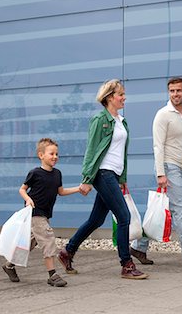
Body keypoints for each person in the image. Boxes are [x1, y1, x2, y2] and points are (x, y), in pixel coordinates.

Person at [57, 79, 148, 280]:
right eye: (120, 94)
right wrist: (87, 178)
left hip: (113, 175)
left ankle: (67, 251)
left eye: (124, 94)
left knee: (96, 219)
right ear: (109, 97)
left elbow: (121, 153)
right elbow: (91, 150)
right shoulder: (100, 119)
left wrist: (122, 178)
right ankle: (126, 264)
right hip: (102, 173)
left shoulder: (122, 121)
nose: (124, 98)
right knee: (124, 217)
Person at [131, 77, 182, 268]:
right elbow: (157, 146)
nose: (175, 94)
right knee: (181, 209)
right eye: (172, 91)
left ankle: (139, 247)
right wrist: (160, 173)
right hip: (167, 166)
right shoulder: (163, 115)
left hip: (179, 167)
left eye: (178, 90)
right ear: (169, 93)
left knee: (160, 209)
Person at [2, 138, 81, 287]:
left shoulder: (57, 174)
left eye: (57, 154)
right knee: (48, 239)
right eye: (51, 153)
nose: (55, 157)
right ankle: (52, 275)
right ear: (41, 155)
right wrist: (27, 199)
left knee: (28, 244)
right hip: (35, 212)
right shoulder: (35, 173)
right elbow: (22, 189)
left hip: (45, 213)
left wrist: (78, 188)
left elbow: (61, 192)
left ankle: (9, 265)